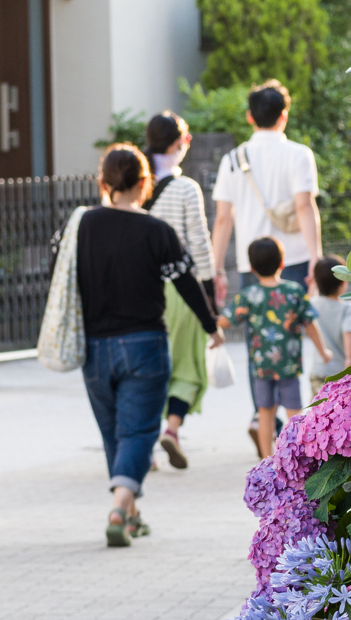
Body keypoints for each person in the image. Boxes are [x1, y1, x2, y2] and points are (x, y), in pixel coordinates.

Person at [79, 144, 225, 548]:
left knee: (113, 432)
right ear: (145, 184)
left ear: (102, 183)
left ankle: (129, 515)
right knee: (140, 431)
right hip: (144, 344)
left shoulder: (82, 226)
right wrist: (210, 325)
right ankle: (119, 506)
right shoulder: (156, 231)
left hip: (94, 346)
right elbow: (185, 281)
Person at [210, 79, 323, 450]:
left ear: (249, 117)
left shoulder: (232, 159)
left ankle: (262, 415)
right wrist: (316, 257)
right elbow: (305, 207)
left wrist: (216, 267)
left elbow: (223, 218)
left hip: (250, 264)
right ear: (284, 115)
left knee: (257, 339)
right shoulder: (299, 154)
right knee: (291, 337)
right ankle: (292, 426)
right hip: (293, 259)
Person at [143, 111, 216, 470]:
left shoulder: (134, 183)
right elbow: (198, 243)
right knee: (187, 365)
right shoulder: (186, 188)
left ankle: (143, 445)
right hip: (182, 288)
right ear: (178, 144)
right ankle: (171, 430)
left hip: (143, 290)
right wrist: (209, 286)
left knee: (151, 365)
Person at [217, 237, 332, 459]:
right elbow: (310, 324)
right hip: (288, 365)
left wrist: (212, 318)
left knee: (265, 413)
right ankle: (298, 455)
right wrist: (323, 351)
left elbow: (225, 321)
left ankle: (267, 460)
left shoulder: (248, 295)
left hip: (262, 367)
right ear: (282, 263)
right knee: (294, 413)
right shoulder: (294, 291)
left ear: (251, 268)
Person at [309, 256, 351, 396]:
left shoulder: (312, 304)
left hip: (318, 372)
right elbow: (349, 336)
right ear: (343, 283)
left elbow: (306, 306)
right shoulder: (348, 309)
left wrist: (313, 284)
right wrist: (350, 365)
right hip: (339, 374)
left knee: (317, 414)